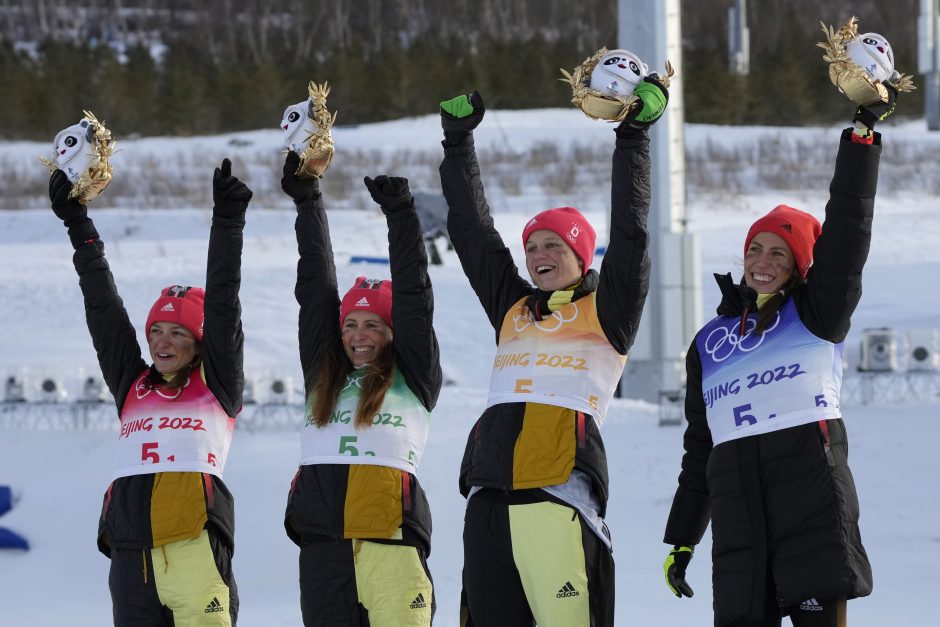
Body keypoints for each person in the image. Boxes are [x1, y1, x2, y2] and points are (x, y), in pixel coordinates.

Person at [662, 85, 900, 626]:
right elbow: (700, 447)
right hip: (740, 526)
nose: (762, 262)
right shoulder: (710, 343)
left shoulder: (818, 314)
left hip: (812, 513)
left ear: (799, 265)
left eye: (779, 253)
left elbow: (849, 229)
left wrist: (860, 138)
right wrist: (682, 538)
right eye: (754, 249)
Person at [438, 79, 667, 627]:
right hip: (489, 502)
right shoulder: (513, 307)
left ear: (580, 254)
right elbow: (473, 235)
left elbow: (632, 234)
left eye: (553, 245)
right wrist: (457, 146)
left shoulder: (607, 313)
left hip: (557, 500)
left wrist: (632, 139)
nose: (539, 254)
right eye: (532, 246)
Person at [48, 158, 252, 626]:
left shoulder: (215, 384)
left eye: (178, 333)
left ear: (199, 343)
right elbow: (102, 304)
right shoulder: (132, 384)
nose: (162, 341)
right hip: (129, 556)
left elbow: (223, 302)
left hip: (194, 547)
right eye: (156, 330)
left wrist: (227, 221)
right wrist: (78, 222)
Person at [280, 150, 442, 627]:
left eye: (373, 324)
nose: (358, 334)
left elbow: (414, 298)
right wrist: (308, 200)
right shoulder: (322, 376)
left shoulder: (413, 376)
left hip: (390, 542)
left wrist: (401, 216)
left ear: (392, 333)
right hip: (324, 551)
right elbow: (315, 287)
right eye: (350, 324)